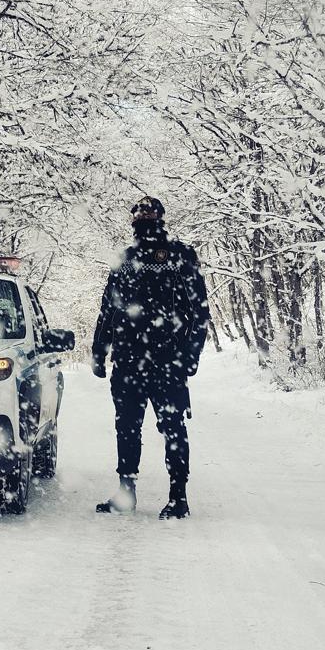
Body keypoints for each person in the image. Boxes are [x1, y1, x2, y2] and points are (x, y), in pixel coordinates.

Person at [91, 196, 209, 519]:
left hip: (167, 362)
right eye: (138, 213)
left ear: (160, 217)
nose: (143, 218)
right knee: (127, 427)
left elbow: (199, 313)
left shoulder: (180, 256)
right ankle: (126, 492)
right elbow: (108, 308)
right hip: (128, 361)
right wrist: (99, 351)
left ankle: (178, 496)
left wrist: (190, 357)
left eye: (149, 213)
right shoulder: (125, 259)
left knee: (172, 427)